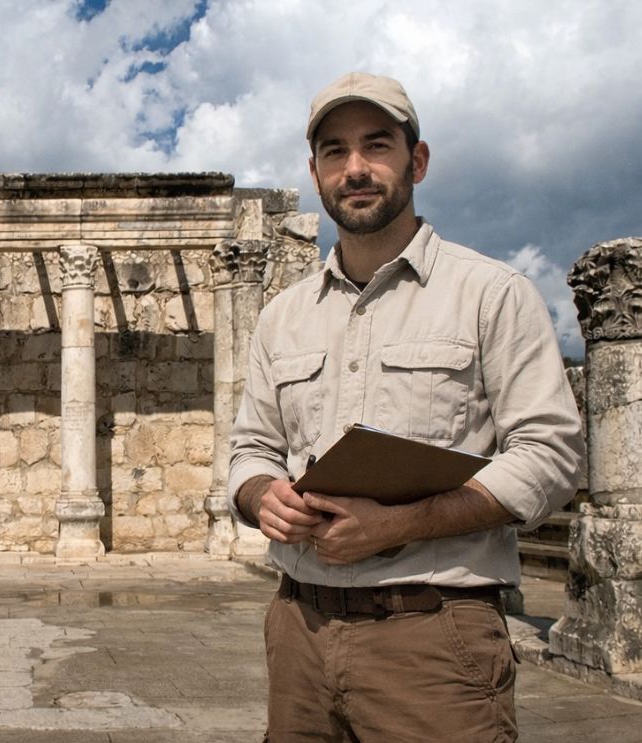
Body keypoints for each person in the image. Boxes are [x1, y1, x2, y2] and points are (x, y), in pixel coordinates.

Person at [227, 71, 585, 742]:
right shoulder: (281, 318)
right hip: (298, 631)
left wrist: (402, 523)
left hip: (431, 638)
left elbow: (551, 455)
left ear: (415, 160)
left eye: (376, 145)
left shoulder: (490, 294)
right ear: (314, 172)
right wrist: (259, 496)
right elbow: (251, 446)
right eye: (334, 151)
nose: (354, 168)